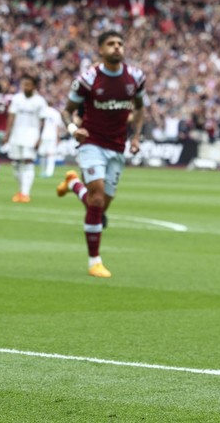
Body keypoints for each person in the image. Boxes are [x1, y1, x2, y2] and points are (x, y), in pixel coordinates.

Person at [56, 31, 146, 278]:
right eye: (111, 44)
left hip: (117, 146)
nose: (117, 47)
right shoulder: (88, 79)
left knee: (100, 204)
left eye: (120, 43)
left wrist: (136, 136)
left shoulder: (135, 77)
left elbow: (140, 108)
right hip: (91, 142)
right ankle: (94, 261)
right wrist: (74, 129)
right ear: (100, 50)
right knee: (96, 199)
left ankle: (73, 183)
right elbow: (66, 111)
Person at [3, 74, 48, 203]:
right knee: (16, 164)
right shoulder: (17, 99)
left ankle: (25, 193)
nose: (25, 87)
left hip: (31, 136)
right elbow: (11, 117)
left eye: (28, 84)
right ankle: (21, 190)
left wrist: (40, 138)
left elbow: (43, 121)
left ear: (34, 86)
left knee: (28, 162)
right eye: (24, 84)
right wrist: (7, 134)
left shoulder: (40, 101)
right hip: (16, 135)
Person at [38, 103, 65, 178]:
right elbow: (57, 126)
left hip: (44, 135)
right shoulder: (56, 113)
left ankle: (43, 170)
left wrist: (38, 136)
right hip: (52, 136)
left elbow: (41, 124)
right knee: (51, 154)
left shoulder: (43, 111)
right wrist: (58, 137)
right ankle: (49, 172)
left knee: (42, 154)